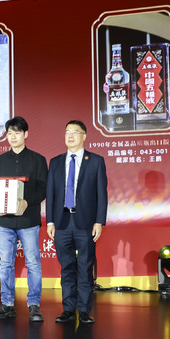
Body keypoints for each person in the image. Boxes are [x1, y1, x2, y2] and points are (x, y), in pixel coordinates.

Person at [46, 120, 108, 324]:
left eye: (75, 132)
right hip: (62, 222)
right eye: (67, 132)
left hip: (86, 223)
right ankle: (68, 309)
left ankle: (84, 309)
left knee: (85, 267)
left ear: (84, 136)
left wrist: (99, 221)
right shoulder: (55, 162)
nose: (70, 135)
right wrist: (50, 221)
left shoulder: (96, 161)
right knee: (66, 268)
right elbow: (51, 193)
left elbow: (101, 194)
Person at [0, 116, 48, 322]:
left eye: (17, 132)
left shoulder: (38, 160)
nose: (12, 137)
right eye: (10, 133)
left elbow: (43, 189)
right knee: (5, 264)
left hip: (28, 221)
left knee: (33, 263)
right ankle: (7, 304)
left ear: (26, 134)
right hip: (5, 222)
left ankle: (34, 304)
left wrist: (27, 202)